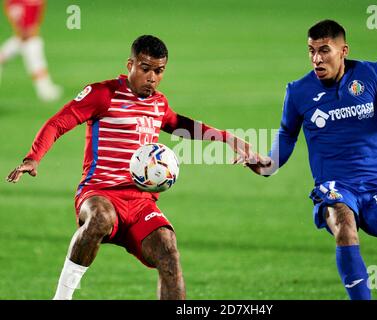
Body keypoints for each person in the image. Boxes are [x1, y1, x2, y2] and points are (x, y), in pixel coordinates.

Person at [6, 34, 250, 300]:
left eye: (159, 71)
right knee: (100, 219)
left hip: (140, 202)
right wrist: (33, 157)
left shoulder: (158, 103)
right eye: (145, 69)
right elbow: (58, 123)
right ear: (130, 64)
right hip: (99, 192)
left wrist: (227, 138)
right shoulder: (103, 94)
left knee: (168, 251)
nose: (152, 77)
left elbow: (180, 124)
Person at [239, 20, 377, 300]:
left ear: (343, 50)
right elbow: (287, 136)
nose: (316, 58)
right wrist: (265, 166)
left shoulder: (372, 74)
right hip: (336, 187)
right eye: (311, 51)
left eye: (324, 50)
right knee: (344, 225)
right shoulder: (298, 91)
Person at [0, 0, 61, 101]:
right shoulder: (14, 3)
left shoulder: (17, 3)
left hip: (29, 40)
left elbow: (29, 27)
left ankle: (47, 92)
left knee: (37, 67)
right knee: (37, 67)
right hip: (23, 39)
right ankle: (47, 92)